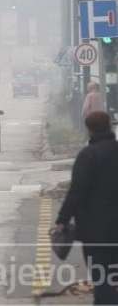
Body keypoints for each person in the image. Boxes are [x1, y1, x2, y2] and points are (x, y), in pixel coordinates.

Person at [54, 110, 118, 304]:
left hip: (96, 230)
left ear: (89, 130)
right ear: (110, 126)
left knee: (102, 276)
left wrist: (62, 220)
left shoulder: (88, 155)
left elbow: (77, 192)